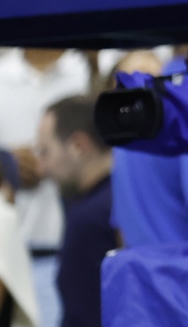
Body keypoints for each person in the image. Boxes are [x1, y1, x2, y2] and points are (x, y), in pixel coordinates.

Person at [0, 47, 89, 327]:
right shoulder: (2, 73)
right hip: (10, 259)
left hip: (77, 249)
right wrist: (5, 162)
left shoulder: (86, 67)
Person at [35, 97, 115, 327]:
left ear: (79, 146)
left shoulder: (88, 221)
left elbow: (86, 316)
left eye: (45, 152)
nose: (41, 168)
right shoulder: (129, 200)